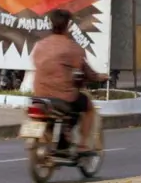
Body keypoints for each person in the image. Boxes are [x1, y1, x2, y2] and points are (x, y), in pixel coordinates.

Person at [31, 9, 109, 151]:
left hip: (39, 94)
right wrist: (99, 77)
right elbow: (87, 72)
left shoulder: (40, 46)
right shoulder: (72, 48)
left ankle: (56, 136)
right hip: (63, 97)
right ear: (68, 26)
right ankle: (83, 145)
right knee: (88, 107)